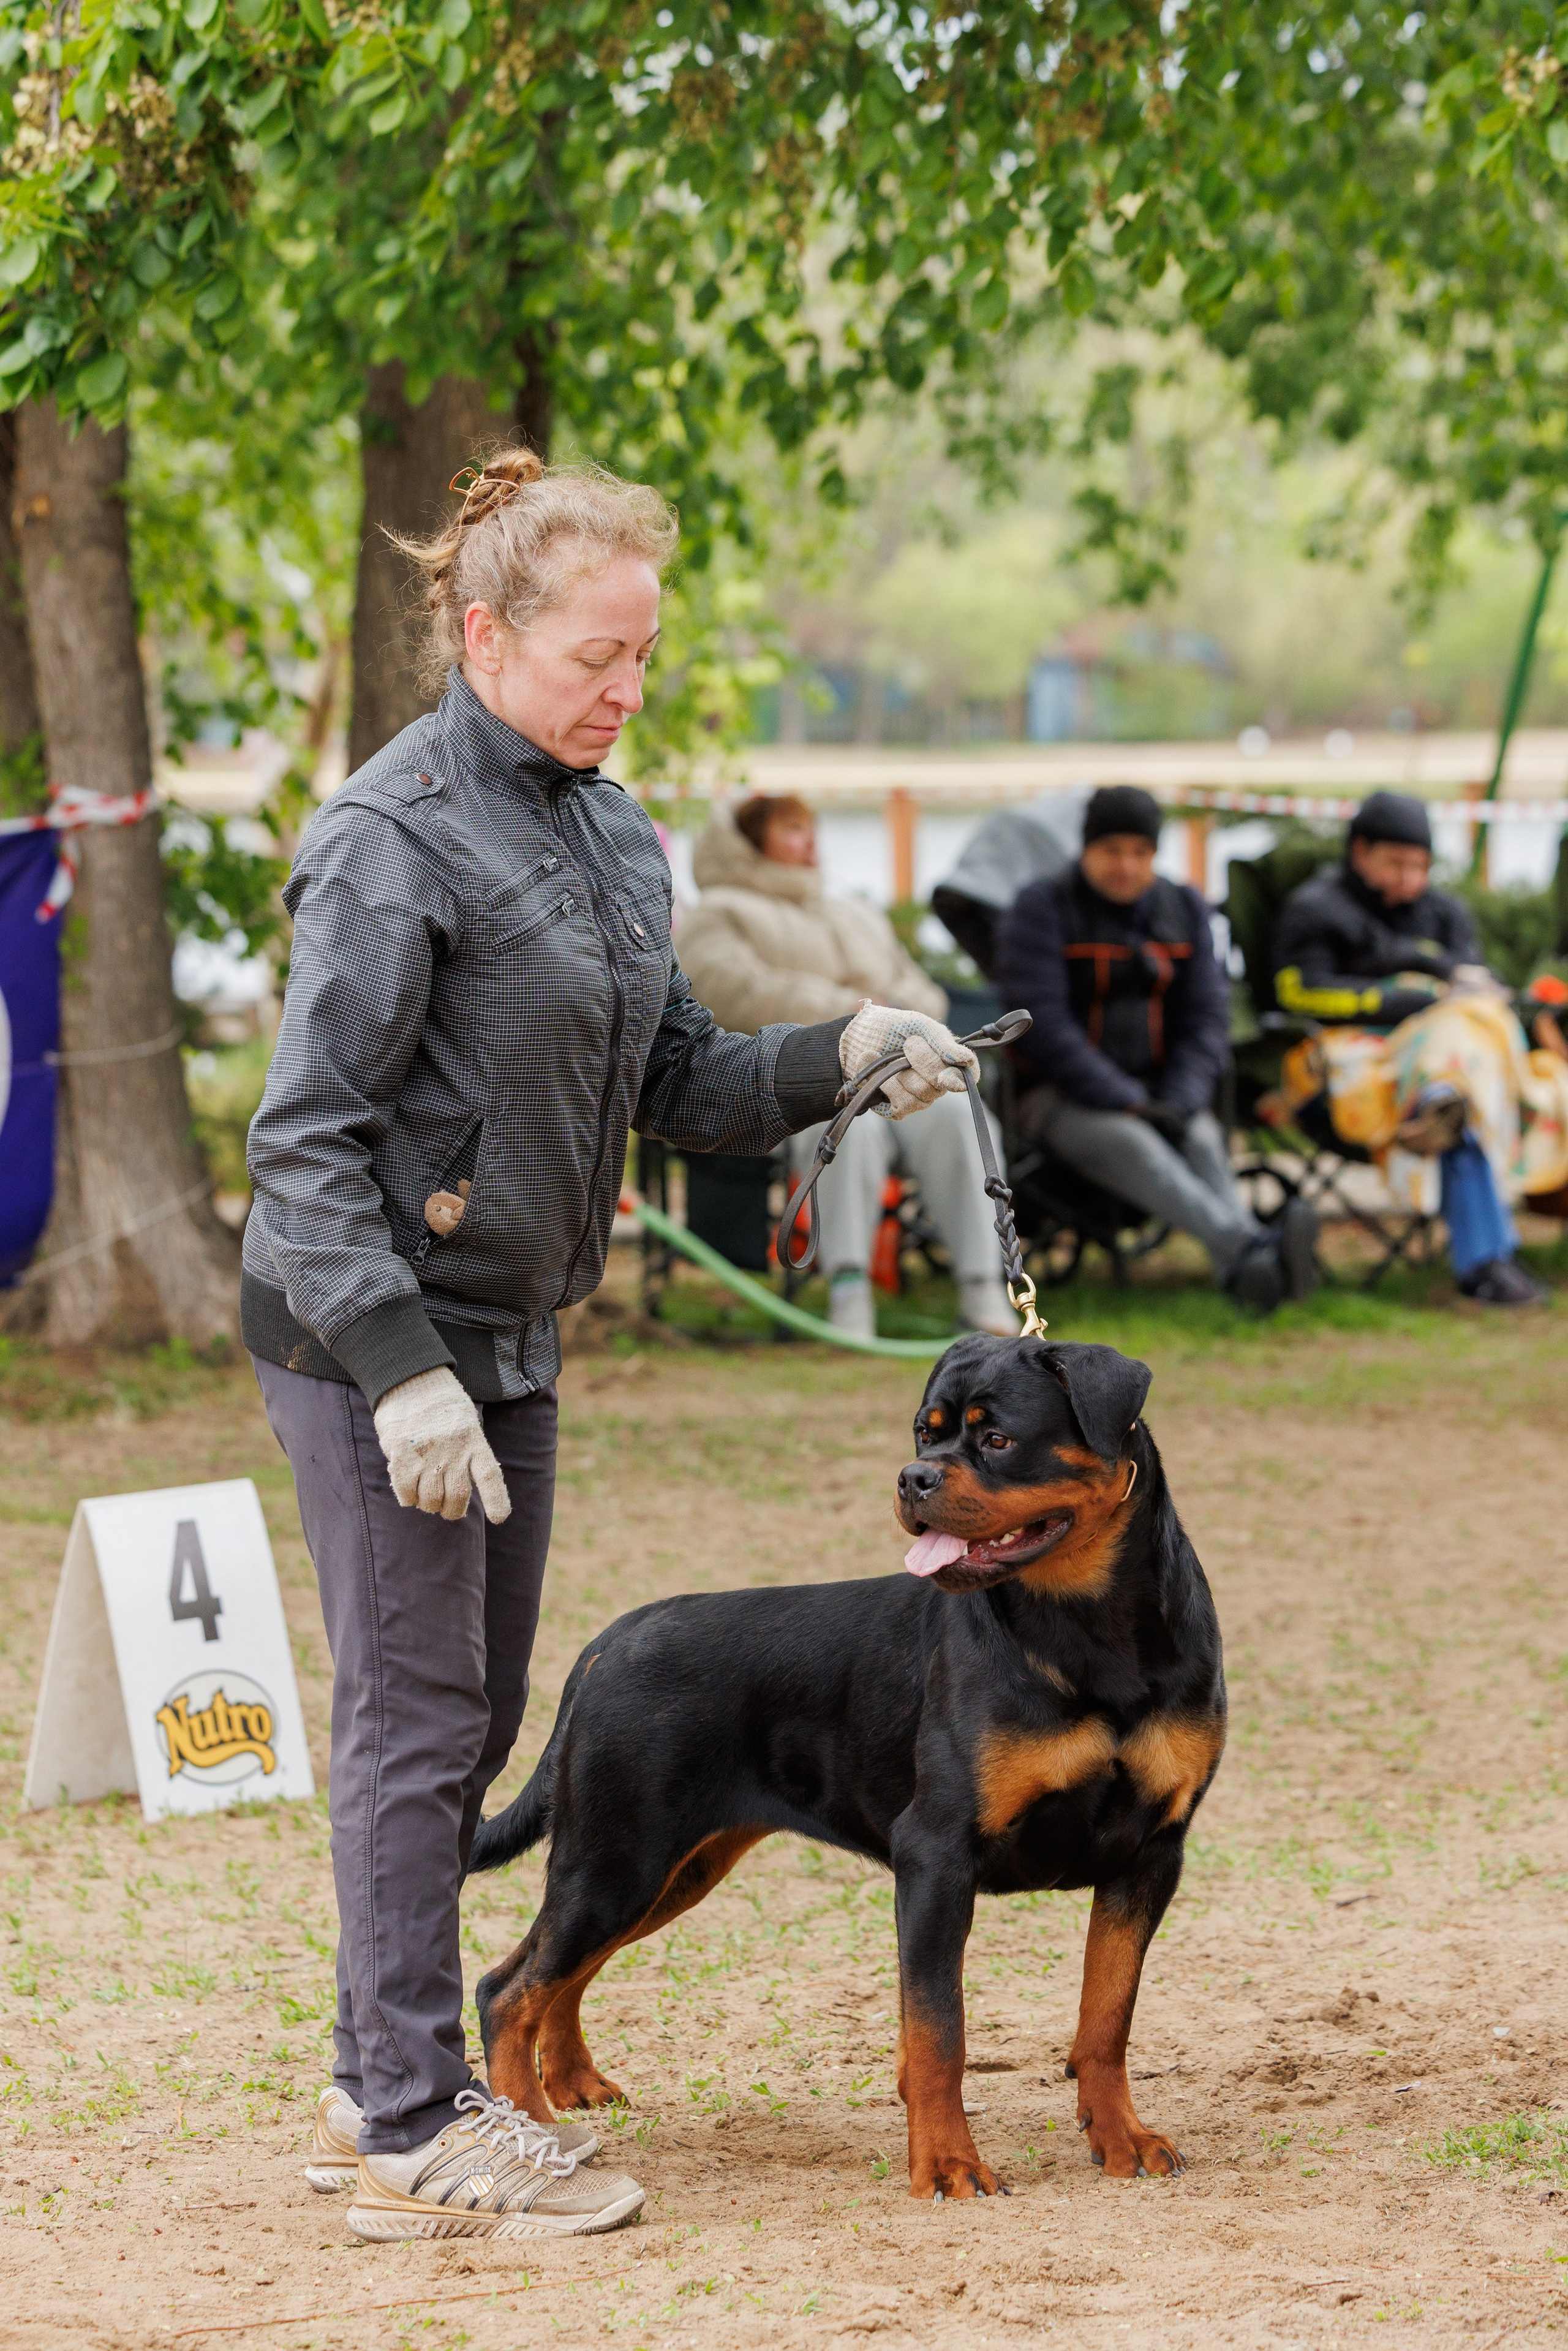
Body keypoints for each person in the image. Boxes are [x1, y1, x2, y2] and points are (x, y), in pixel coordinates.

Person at [241, 451, 980, 2243]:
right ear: (485, 634)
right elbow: (304, 1145)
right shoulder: (389, 836)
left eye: (644, 655)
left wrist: (841, 1048)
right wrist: (398, 1368)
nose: (626, 688)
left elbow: (677, 1077)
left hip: (509, 1331)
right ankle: (409, 2117)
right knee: (422, 1719)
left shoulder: (603, 823)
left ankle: (375, 2080)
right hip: (367, 1337)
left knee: (478, 1716)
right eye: (597, 655)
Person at [677, 795, 1017, 1337]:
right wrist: (856, 1014)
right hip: (799, 1084)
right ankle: (849, 1291)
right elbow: (732, 993)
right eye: (792, 829)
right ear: (747, 843)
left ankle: (983, 1287)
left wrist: (898, 1014)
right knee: (846, 1130)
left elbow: (923, 992)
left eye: (811, 828)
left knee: (958, 1116)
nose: (810, 840)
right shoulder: (719, 914)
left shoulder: (853, 913)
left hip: (898, 1079)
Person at [994, 785, 1317, 1311]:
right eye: (1112, 851)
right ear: (1086, 848)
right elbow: (1043, 1027)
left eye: (1140, 853)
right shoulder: (1042, 907)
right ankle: (1253, 1246)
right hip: (1057, 1098)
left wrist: (1180, 1100)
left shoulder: (1183, 907)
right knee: (1136, 1145)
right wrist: (1128, 1101)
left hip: (1164, 1093)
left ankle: (1244, 1274)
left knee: (1204, 1141)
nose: (1126, 866)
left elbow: (1207, 1019)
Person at [1272, 790, 1548, 1306]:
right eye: (1396, 864)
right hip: (1350, 1070)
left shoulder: (1445, 912)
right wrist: (1412, 993)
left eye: (1420, 866)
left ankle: (1441, 1100)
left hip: (1446, 1065)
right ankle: (1486, 1263)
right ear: (1360, 851)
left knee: (1468, 1047)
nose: (1410, 879)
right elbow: (1296, 992)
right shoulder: (1315, 909)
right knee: (1455, 1081)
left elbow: (1476, 982)